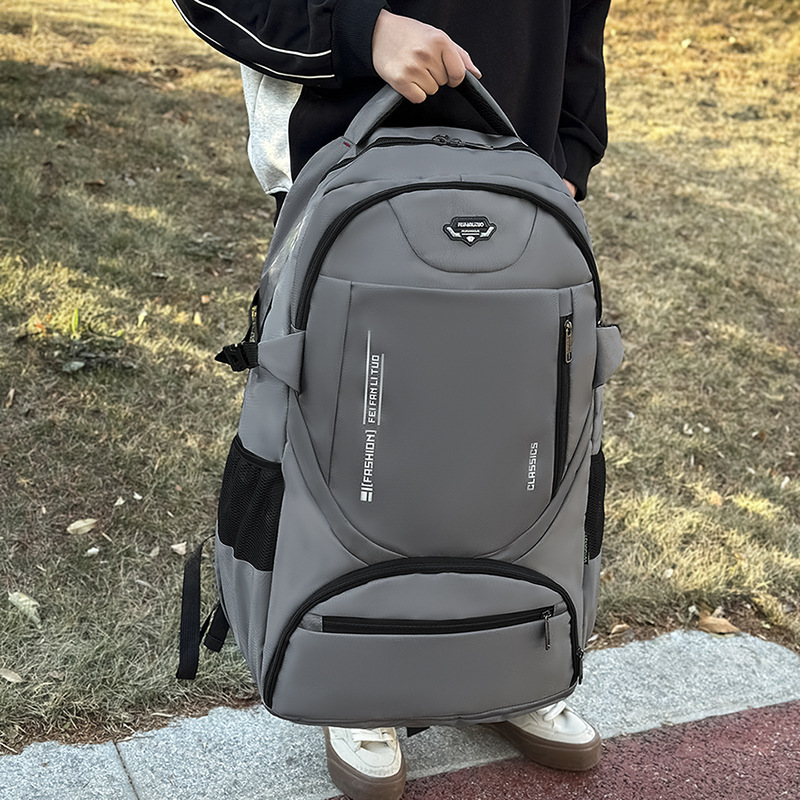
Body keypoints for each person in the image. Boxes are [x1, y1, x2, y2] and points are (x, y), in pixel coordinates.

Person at [173, 2, 611, 798]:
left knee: (509, 449)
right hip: (348, 154)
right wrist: (358, 29)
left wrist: (573, 147)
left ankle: (512, 654)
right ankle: (357, 665)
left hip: (518, 160)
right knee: (364, 445)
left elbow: (582, 17)